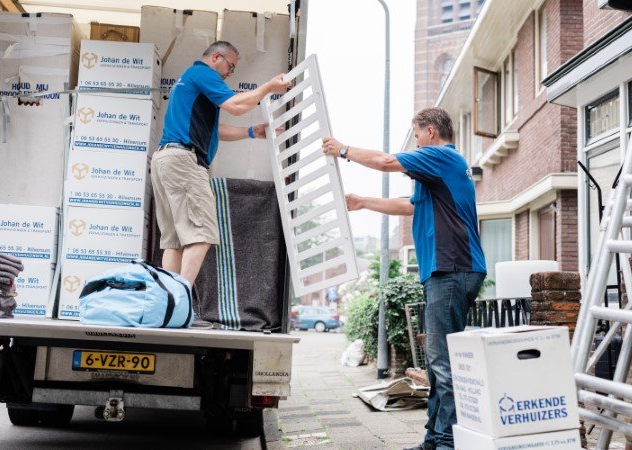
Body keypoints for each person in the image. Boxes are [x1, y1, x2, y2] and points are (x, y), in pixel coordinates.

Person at [322, 107, 486, 450]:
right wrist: (363, 202)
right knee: (440, 361)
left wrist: (343, 150)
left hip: (451, 269)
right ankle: (434, 440)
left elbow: (385, 162)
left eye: (416, 135)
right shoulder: (438, 176)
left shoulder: (440, 156)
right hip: (451, 271)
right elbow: (408, 207)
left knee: (442, 363)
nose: (415, 143)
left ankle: (445, 443)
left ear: (429, 132)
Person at [151, 41, 290, 309]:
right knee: (202, 234)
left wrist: (252, 132)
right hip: (183, 162)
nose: (230, 74)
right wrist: (269, 87)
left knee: (175, 241)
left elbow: (217, 130)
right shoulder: (203, 73)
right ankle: (178, 302)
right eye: (230, 67)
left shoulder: (192, 81)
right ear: (216, 57)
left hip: (166, 160)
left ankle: (165, 304)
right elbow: (237, 106)